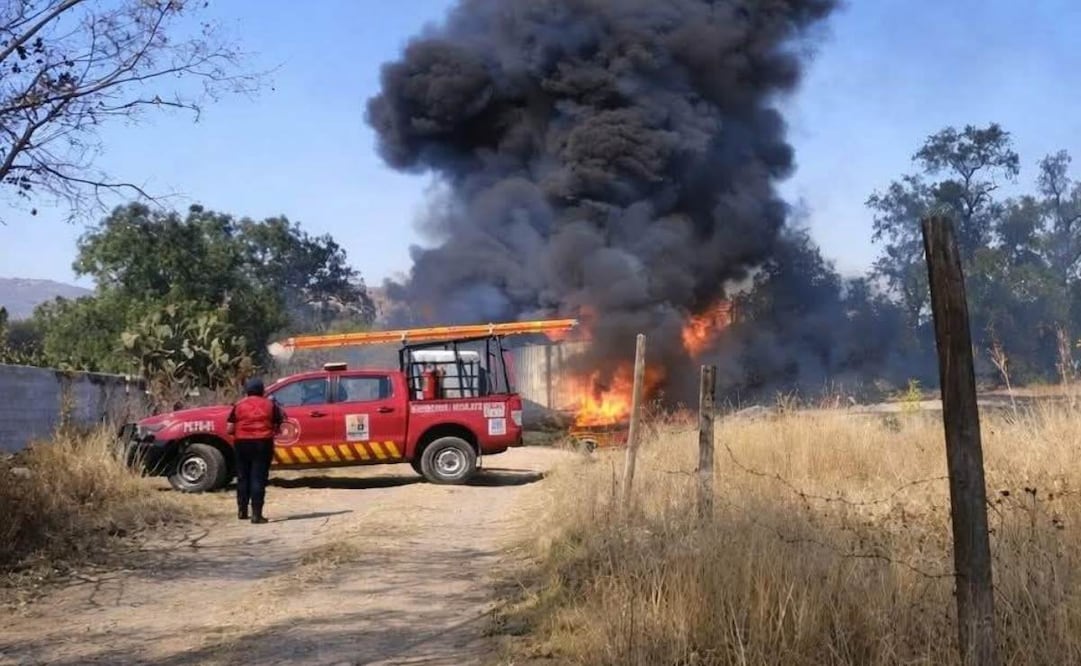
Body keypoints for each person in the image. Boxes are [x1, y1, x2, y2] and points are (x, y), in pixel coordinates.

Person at [226, 377, 285, 524]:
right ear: (262, 390)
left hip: (241, 443)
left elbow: (230, 429)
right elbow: (278, 425)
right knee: (258, 477)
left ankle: (242, 511)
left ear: (247, 391)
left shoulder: (238, 405)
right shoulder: (271, 405)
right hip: (263, 443)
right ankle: (257, 515)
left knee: (242, 477)